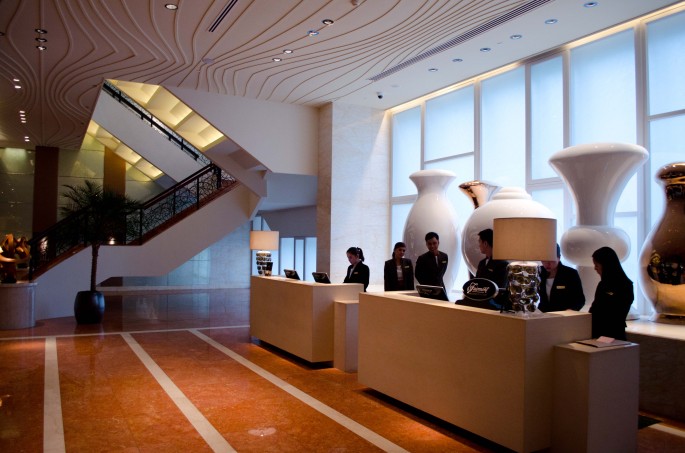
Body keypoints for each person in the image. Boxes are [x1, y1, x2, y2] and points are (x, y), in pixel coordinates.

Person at [589, 246, 634, 340]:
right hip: (597, 333)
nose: (595, 268)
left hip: (614, 334)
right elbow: (594, 308)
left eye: (597, 265)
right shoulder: (602, 284)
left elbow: (619, 312)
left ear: (606, 265)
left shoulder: (625, 285)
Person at [538, 244, 585, 312]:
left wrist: (570, 311)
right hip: (543, 315)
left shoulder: (570, 273)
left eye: (551, 260)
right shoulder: (539, 272)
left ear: (559, 258)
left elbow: (580, 300)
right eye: (545, 260)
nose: (548, 264)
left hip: (563, 315)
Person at [474, 228, 509, 309]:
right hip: (479, 303)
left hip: (494, 305)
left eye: (480, 242)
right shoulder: (482, 263)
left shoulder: (503, 264)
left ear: (485, 243)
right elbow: (476, 283)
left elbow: (500, 289)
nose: (479, 245)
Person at [414, 232, 449, 300]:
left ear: (438, 242)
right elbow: (417, 275)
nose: (432, 246)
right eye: (429, 244)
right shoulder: (422, 258)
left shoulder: (444, 256)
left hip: (441, 289)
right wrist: (426, 287)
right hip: (428, 291)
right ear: (426, 244)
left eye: (434, 243)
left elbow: (442, 272)